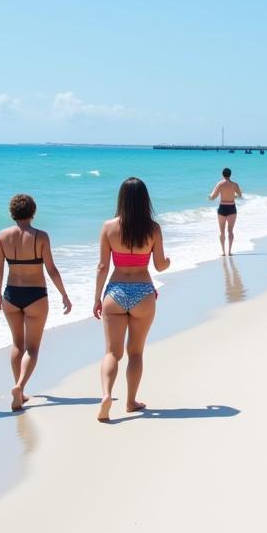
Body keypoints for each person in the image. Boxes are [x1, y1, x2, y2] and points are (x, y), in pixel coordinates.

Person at [93, 178, 170, 422]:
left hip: (115, 292)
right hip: (143, 293)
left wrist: (97, 298)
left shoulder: (108, 227)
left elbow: (102, 266)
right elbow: (159, 265)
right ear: (145, 199)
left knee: (112, 353)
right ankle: (130, 401)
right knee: (135, 353)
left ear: (121, 199)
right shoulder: (153, 229)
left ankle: (106, 395)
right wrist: (169, 262)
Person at [0, 194, 72, 411]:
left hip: (11, 294)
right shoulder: (41, 237)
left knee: (17, 344)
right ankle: (20, 386)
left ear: (12, 212)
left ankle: (19, 388)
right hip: (36, 294)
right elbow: (51, 269)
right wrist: (64, 294)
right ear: (33, 212)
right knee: (33, 348)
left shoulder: (2, 237)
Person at [209, 168, 244, 256]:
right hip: (232, 207)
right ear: (230, 175)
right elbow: (240, 195)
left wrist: (209, 197)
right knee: (230, 231)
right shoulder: (235, 184)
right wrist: (233, 196)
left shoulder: (220, 184)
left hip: (222, 208)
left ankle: (223, 252)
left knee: (222, 232)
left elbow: (213, 197)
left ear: (222, 175)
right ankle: (230, 251)